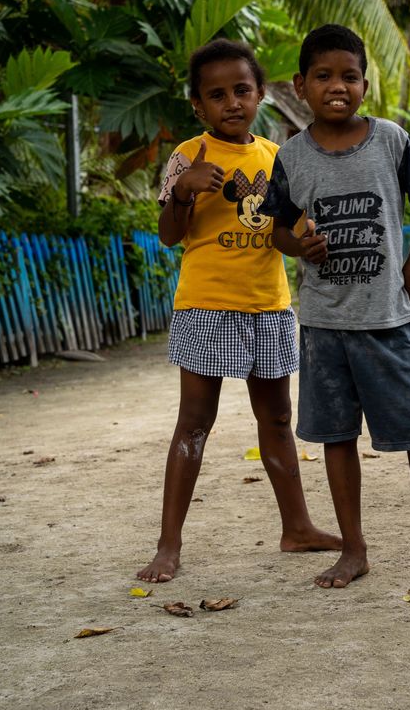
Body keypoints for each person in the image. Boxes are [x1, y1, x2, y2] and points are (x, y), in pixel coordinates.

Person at [260, 24, 410, 590]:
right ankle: (354, 550)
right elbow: (277, 230)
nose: (337, 86)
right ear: (300, 85)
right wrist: (300, 245)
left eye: (349, 76)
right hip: (323, 326)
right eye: (323, 76)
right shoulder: (291, 156)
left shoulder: (391, 140)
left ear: (364, 86)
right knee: (336, 438)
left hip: (388, 321)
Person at [137, 38, 340, 583]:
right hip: (206, 306)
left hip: (268, 306)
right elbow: (168, 235)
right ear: (198, 105)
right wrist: (184, 191)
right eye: (217, 94)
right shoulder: (187, 156)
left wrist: (307, 243)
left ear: (259, 94)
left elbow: (284, 234)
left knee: (276, 419)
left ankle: (297, 528)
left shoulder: (277, 157)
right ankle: (168, 546)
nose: (232, 102)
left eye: (242, 90)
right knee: (194, 423)